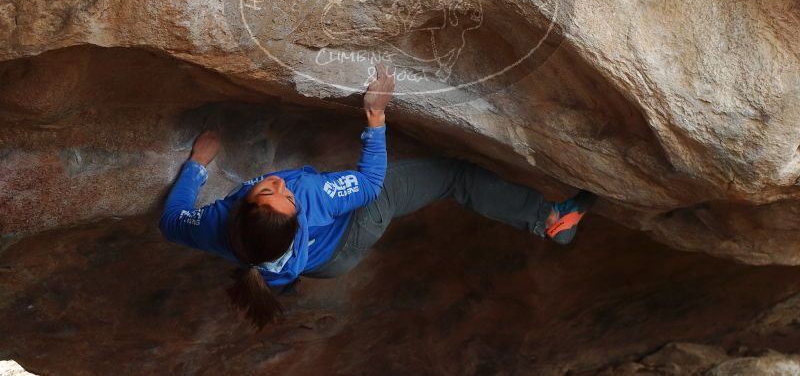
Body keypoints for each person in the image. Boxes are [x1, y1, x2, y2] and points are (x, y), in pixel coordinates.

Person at [159, 65, 596, 330]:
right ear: (297, 217)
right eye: (282, 194)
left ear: (237, 213)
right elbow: (368, 184)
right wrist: (376, 115)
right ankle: (550, 219)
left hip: (324, 266)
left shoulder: (213, 227)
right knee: (454, 176)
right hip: (352, 233)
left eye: (273, 188)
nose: (282, 185)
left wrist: (197, 164)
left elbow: (172, 220)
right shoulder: (314, 196)